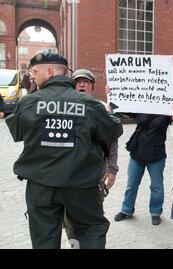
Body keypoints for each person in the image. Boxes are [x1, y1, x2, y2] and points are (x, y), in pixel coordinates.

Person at [5, 52, 123, 249]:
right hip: (82, 185)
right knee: (90, 231)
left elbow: (17, 132)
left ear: (49, 71)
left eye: (34, 71)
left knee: (44, 237)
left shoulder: (28, 103)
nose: (32, 76)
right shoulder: (90, 104)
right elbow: (113, 130)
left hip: (42, 187)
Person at [60, 69, 120, 242]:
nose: (82, 84)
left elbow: (112, 141)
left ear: (92, 87)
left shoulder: (102, 107)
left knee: (91, 219)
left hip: (94, 175)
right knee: (69, 221)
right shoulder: (63, 106)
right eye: (78, 81)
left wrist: (112, 169)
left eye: (86, 82)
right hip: (66, 175)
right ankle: (75, 244)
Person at [109, 83, 171, 225]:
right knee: (131, 184)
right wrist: (113, 93)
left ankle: (155, 212)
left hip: (156, 155)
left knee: (156, 187)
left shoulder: (167, 110)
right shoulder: (143, 104)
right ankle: (126, 210)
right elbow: (123, 107)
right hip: (137, 153)